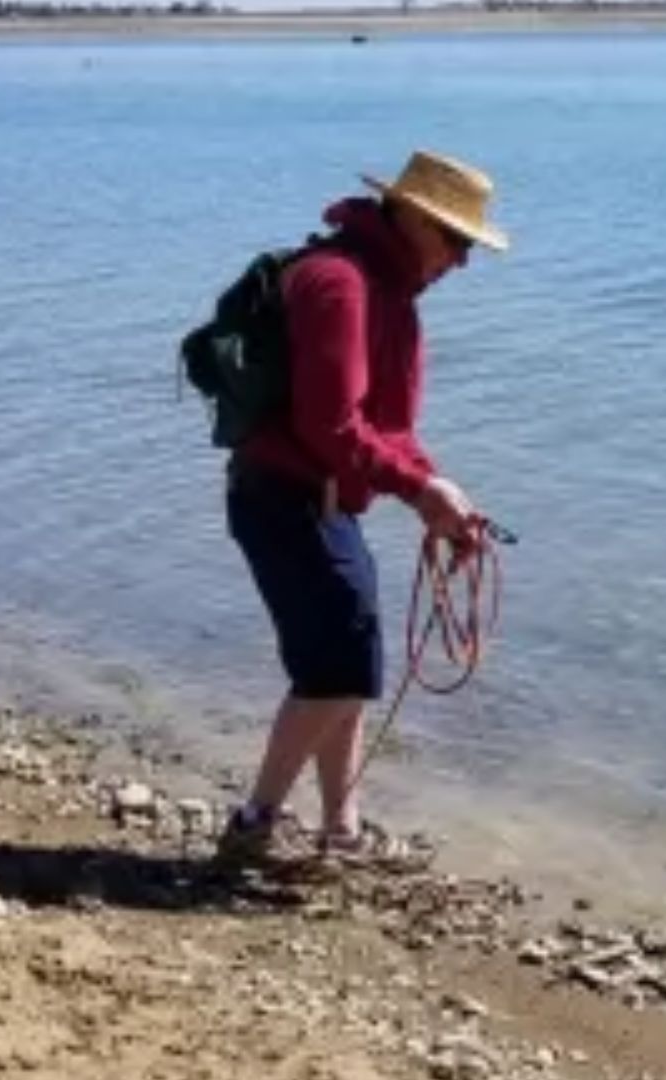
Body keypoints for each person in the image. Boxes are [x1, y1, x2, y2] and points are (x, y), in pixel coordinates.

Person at [216, 150, 509, 867]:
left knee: (349, 662)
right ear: (410, 217)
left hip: (321, 503)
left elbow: (390, 430)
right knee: (339, 669)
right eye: (456, 240)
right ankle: (252, 827)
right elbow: (331, 426)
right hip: (283, 500)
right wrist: (417, 491)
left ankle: (340, 830)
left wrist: (439, 493)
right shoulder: (339, 284)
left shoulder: (393, 294)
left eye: (469, 244)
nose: (461, 262)